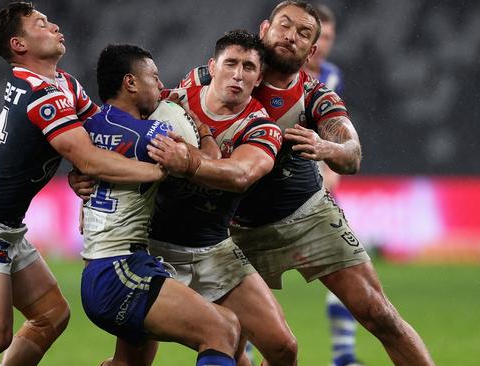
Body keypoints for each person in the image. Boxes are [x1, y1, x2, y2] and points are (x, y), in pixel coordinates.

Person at [0, 3, 167, 366]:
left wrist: (82, 169)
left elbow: (103, 132)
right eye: (41, 24)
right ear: (19, 45)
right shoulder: (42, 96)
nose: (55, 26)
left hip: (5, 226)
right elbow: (91, 156)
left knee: (51, 315)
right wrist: (159, 171)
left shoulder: (61, 85)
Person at [229, 2, 435, 365]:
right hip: (236, 229)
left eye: (304, 33)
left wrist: (328, 147)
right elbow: (165, 124)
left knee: (380, 314)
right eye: (284, 26)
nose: (291, 36)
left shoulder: (316, 96)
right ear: (265, 30)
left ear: (312, 50)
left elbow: (352, 153)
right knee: (236, 339)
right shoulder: (222, 77)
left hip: (309, 217)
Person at [80, 43, 241, 366]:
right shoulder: (151, 134)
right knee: (222, 329)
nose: (160, 87)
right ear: (131, 83)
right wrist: (203, 131)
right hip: (120, 271)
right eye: (153, 78)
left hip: (102, 268)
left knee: (131, 362)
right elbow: (208, 164)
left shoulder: (90, 127)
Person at [147, 30, 295, 366]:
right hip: (153, 248)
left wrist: (189, 162)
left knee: (283, 348)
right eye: (231, 63)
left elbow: (241, 175)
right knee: (133, 360)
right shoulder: (167, 104)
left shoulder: (261, 127)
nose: (238, 74)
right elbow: (113, 137)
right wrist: (86, 178)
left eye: (248, 67)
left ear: (259, 78)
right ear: (212, 67)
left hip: (214, 248)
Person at [303, 5, 361, 366]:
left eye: (328, 37)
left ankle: (344, 356)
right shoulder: (266, 72)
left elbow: (333, 127)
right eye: (317, 36)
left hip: (319, 187)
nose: (322, 44)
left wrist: (330, 169)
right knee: (246, 283)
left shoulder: (331, 77)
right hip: (269, 190)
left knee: (349, 269)